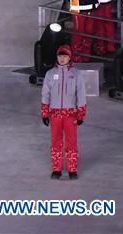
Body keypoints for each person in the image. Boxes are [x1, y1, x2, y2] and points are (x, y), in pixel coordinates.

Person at [40, 45, 87, 180]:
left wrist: (81, 113)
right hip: (55, 114)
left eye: (65, 56)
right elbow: (45, 94)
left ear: (70, 57)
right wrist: (45, 112)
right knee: (56, 142)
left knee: (71, 142)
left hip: (70, 114)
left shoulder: (76, 74)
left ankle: (72, 169)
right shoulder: (50, 74)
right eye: (60, 56)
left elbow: (81, 95)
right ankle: (56, 169)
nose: (62, 59)